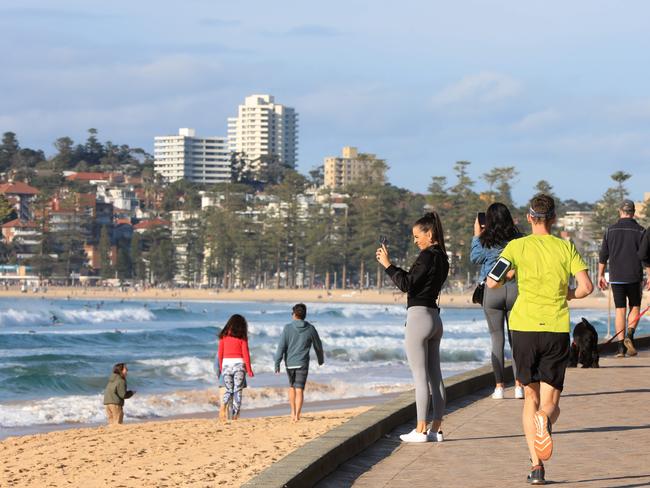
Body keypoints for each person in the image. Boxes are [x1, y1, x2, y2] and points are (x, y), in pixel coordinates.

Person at [487, 194, 593, 485]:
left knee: (529, 398)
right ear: (554, 219)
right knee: (550, 402)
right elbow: (586, 287)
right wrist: (567, 294)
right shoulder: (565, 247)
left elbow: (492, 282)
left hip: (523, 329)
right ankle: (545, 419)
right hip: (555, 328)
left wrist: (511, 274)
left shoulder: (516, 246)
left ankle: (536, 467)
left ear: (529, 217)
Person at [376, 211, 449, 443]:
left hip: (418, 318)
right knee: (435, 376)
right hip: (435, 319)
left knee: (419, 376)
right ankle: (436, 428)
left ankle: (420, 430)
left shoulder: (427, 256)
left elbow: (407, 284)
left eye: (418, 236)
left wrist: (388, 265)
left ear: (429, 233)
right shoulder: (443, 258)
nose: (415, 240)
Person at [470, 203, 524, 400]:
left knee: (497, 339)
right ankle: (519, 386)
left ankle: (499, 387)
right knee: (515, 339)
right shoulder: (519, 239)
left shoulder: (485, 240)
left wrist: (477, 234)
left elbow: (474, 258)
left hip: (492, 291)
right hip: (515, 290)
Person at [597, 199, 645, 357]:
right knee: (635, 306)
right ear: (633, 212)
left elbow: (603, 255)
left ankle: (620, 348)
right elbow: (646, 256)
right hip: (634, 275)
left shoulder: (610, 230)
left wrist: (600, 275)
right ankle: (629, 336)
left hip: (616, 277)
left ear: (620, 211)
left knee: (620, 310)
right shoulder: (640, 231)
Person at [274, 303, 324, 422]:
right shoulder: (311, 328)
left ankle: (292, 412)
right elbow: (318, 345)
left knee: (292, 387)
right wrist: (320, 359)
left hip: (290, 363)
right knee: (299, 389)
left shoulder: (287, 328)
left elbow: (281, 347)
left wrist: (277, 363)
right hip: (302, 363)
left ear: (295, 315)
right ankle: (297, 415)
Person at [217, 314, 254, 420]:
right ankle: (235, 416)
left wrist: (221, 368)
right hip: (239, 365)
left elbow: (220, 354)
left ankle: (223, 406)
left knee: (229, 389)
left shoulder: (223, 336)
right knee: (237, 390)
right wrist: (249, 370)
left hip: (226, 365)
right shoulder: (242, 337)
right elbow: (245, 354)